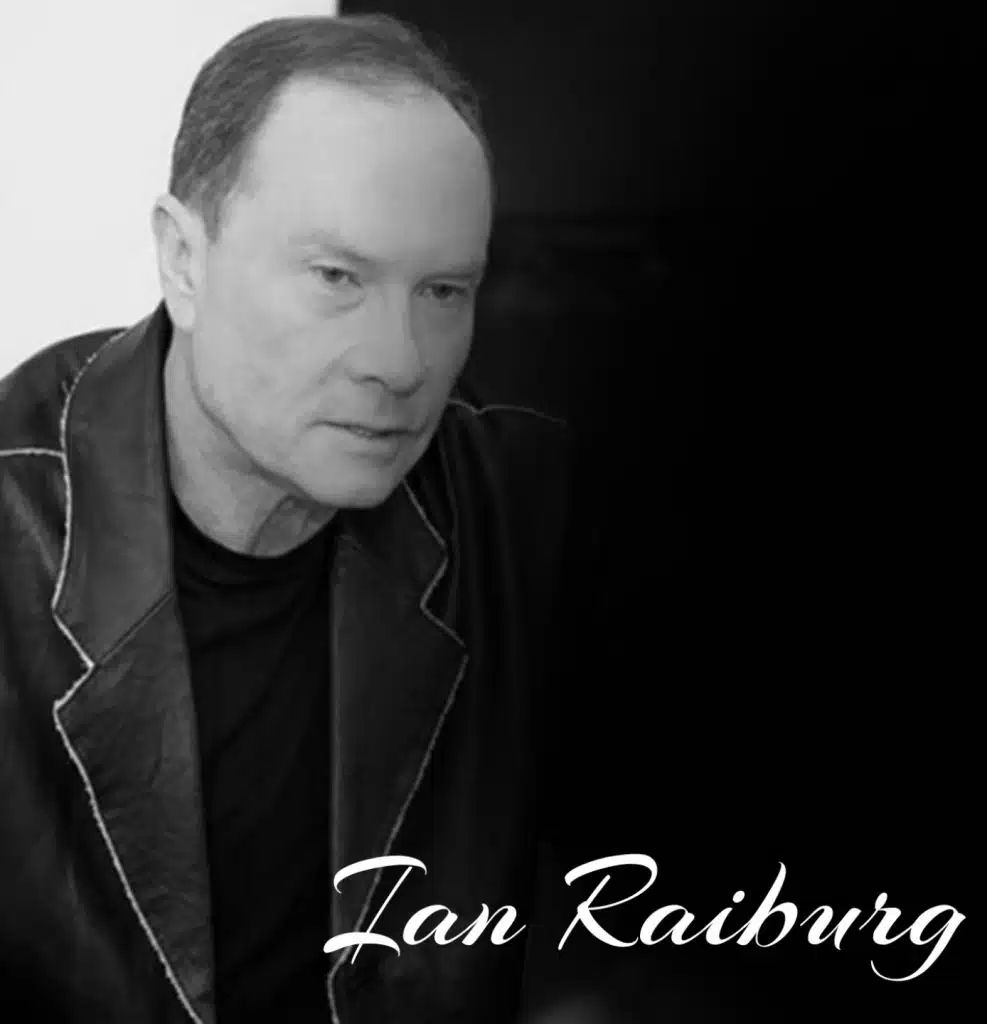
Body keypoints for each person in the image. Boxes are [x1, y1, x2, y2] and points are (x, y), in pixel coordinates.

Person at [0, 14, 572, 1023]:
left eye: (444, 290)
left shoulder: (520, 507)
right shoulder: (13, 521)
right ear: (183, 258)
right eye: (337, 277)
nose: (400, 361)